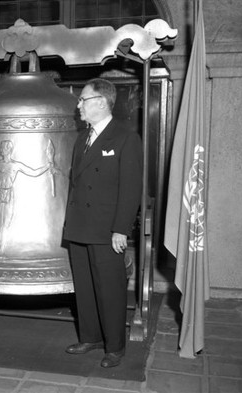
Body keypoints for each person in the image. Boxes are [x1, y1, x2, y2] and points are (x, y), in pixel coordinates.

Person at [63, 78, 143, 368]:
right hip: (80, 225)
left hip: (108, 230)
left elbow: (131, 188)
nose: (78, 105)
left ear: (100, 102)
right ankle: (91, 337)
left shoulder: (125, 137)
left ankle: (114, 346)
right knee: (84, 288)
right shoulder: (82, 138)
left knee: (110, 289)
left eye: (83, 100)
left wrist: (121, 229)